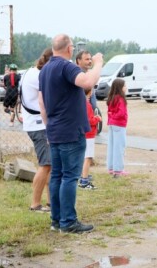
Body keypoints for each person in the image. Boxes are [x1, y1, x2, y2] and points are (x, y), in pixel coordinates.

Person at [38, 34, 104, 234]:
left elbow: (42, 103)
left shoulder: (45, 69)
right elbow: (87, 82)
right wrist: (98, 64)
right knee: (69, 177)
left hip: (56, 129)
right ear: (69, 49)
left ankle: (56, 220)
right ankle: (68, 221)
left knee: (57, 175)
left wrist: (49, 126)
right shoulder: (66, 66)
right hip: (70, 130)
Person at [21, 48, 53, 213]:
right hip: (39, 125)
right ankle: (35, 204)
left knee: (50, 165)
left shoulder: (31, 72)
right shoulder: (40, 76)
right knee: (45, 165)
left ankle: (51, 202)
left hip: (34, 123)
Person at [79, 87, 101, 189]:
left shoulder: (79, 103)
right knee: (88, 158)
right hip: (89, 134)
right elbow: (89, 120)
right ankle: (84, 181)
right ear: (90, 92)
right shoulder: (87, 105)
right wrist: (97, 118)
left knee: (83, 157)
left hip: (82, 134)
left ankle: (83, 175)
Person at [106, 78, 128, 177]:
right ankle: (118, 169)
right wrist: (115, 117)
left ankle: (111, 167)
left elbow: (110, 112)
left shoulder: (112, 97)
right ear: (120, 87)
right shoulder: (121, 98)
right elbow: (121, 113)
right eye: (124, 86)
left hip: (111, 124)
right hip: (119, 124)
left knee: (112, 146)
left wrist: (112, 117)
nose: (126, 87)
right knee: (119, 147)